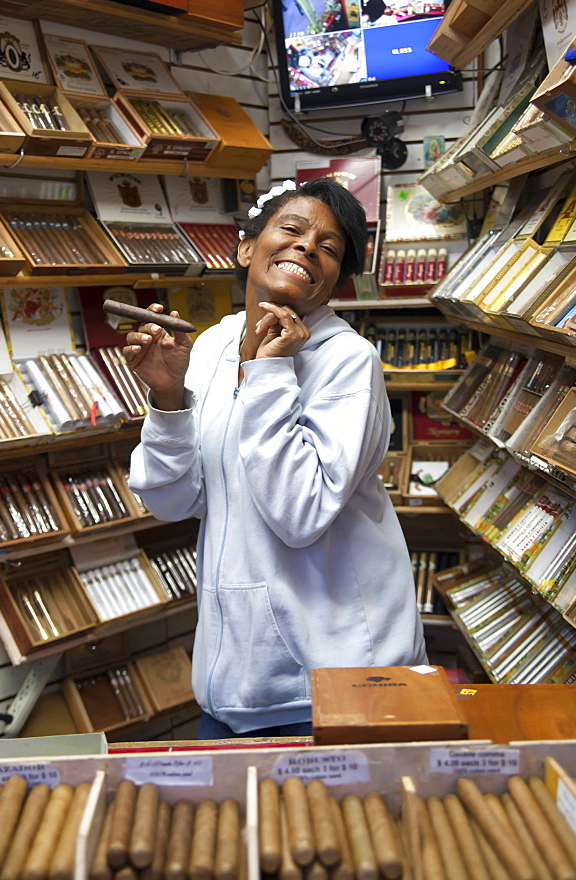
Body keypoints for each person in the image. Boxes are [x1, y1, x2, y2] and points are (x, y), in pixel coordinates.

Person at [124, 178, 427, 740]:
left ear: (335, 281)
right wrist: (167, 400)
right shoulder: (212, 346)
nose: (308, 248)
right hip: (236, 675)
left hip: (341, 676)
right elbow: (171, 502)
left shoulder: (348, 362)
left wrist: (269, 373)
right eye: (291, 229)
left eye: (330, 249)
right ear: (246, 248)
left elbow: (300, 515)